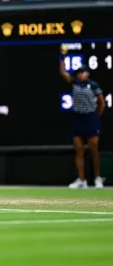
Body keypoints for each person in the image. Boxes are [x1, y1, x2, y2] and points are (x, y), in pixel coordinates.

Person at [60, 48, 106, 189]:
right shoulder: (74, 83)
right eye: (79, 72)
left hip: (91, 119)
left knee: (93, 150)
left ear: (88, 73)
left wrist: (95, 115)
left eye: (83, 72)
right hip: (78, 120)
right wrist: (62, 57)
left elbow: (102, 103)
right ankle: (82, 180)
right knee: (79, 151)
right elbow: (63, 73)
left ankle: (97, 178)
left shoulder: (94, 85)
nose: (80, 74)